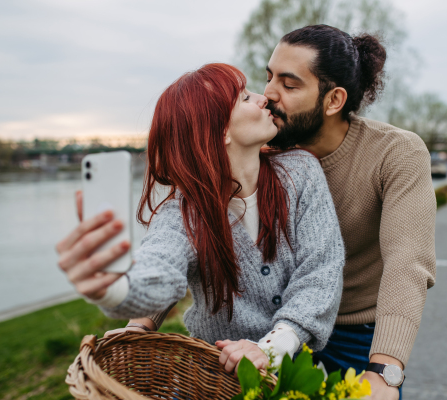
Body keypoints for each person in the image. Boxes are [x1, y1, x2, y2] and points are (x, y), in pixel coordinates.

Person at [55, 63, 345, 374]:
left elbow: (322, 270)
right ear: (221, 133)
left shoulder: (300, 172)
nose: (264, 98)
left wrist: (271, 347)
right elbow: (160, 268)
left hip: (296, 369)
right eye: (245, 98)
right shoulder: (181, 214)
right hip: (216, 379)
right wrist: (112, 288)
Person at [261, 25, 437, 400]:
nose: (268, 94)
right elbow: (192, 230)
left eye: (289, 85)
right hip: (273, 324)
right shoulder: (260, 151)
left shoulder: (396, 154)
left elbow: (407, 262)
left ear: (333, 100)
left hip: (356, 333)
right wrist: (141, 323)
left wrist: (384, 371)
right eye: (269, 77)